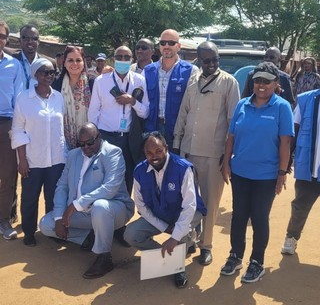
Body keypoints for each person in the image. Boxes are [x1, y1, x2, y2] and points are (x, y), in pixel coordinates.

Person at [220, 62, 294, 283]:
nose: (261, 85)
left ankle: (257, 262)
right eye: (257, 81)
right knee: (239, 215)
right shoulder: (242, 104)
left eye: (266, 81)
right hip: (241, 172)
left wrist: (282, 173)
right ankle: (235, 256)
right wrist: (226, 163)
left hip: (267, 175)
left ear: (276, 84)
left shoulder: (282, 107)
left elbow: (285, 143)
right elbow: (231, 137)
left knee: (259, 217)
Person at [173, 41, 240, 266]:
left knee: (211, 203)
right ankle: (190, 238)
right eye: (206, 60)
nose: (211, 64)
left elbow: (233, 121)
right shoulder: (193, 80)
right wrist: (176, 142)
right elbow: (184, 112)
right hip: (188, 150)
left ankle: (206, 245)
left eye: (215, 60)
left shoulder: (229, 83)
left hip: (214, 154)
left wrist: (228, 154)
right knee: (187, 200)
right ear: (199, 61)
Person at [39, 123, 135, 279]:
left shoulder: (113, 153)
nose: (86, 147)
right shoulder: (73, 155)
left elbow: (109, 188)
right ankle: (88, 238)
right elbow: (62, 186)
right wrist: (58, 218)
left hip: (114, 210)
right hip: (82, 214)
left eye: (90, 143)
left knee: (100, 206)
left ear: (99, 137)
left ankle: (104, 257)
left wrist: (77, 204)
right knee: (46, 224)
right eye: (81, 144)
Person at [124, 131, 207, 288]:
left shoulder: (183, 168)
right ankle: (170, 258)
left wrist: (174, 237)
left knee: (182, 233)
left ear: (166, 148)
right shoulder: (139, 171)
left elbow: (189, 206)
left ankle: (178, 267)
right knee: (130, 235)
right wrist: (165, 228)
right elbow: (141, 206)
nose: (154, 156)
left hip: (185, 214)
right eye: (149, 153)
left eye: (158, 151)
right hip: (159, 215)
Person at [11, 58, 66, 246]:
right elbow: (17, 130)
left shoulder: (59, 97)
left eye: (52, 72)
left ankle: (51, 230)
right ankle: (28, 232)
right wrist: (22, 161)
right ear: (35, 74)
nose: (49, 75)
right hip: (32, 159)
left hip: (56, 159)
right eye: (44, 72)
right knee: (30, 198)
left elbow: (62, 127)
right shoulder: (24, 98)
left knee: (53, 198)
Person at [88, 45, 149, 194]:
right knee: (104, 178)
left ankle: (123, 213)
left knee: (127, 177)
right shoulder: (101, 81)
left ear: (132, 60)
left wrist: (133, 101)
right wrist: (96, 139)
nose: (123, 60)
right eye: (119, 57)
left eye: (126, 57)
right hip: (106, 137)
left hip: (129, 139)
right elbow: (93, 112)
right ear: (113, 60)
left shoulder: (139, 80)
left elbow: (146, 112)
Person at [144, 29, 198, 150]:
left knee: (175, 166)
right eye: (163, 43)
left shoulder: (191, 71)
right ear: (159, 46)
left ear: (178, 46)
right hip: (152, 128)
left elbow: (193, 105)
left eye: (171, 43)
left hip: (177, 131)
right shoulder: (147, 71)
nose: (166, 46)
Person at [281, 88, 320, 255]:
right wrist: (287, 160)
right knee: (300, 205)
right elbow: (294, 131)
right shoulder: (306, 100)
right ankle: (292, 237)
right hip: (310, 168)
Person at [0, 19, 23, 240]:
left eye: (2, 36)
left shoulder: (13, 65)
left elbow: (18, 98)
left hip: (6, 123)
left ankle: (3, 220)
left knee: (7, 174)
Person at [52, 45, 93, 150]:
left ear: (83, 63)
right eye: (70, 60)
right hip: (62, 142)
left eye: (78, 60)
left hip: (89, 143)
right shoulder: (56, 84)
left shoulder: (92, 83)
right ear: (64, 63)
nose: (75, 64)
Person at [12, 24, 56, 89]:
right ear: (19, 41)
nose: (30, 42)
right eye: (26, 38)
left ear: (38, 41)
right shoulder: (11, 61)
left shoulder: (49, 63)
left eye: (34, 39)